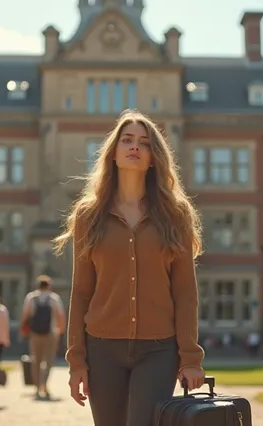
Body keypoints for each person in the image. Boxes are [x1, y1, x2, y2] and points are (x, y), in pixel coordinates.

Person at [53, 109, 206, 426]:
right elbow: (81, 292)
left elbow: (185, 293)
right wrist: (76, 361)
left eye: (144, 142)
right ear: (113, 153)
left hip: (158, 351)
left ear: (154, 157)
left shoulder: (176, 214)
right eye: (127, 140)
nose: (135, 146)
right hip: (102, 349)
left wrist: (190, 358)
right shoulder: (89, 214)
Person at [21, 275, 66, 399]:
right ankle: (44, 384)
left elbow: (25, 315)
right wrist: (60, 332)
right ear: (49, 285)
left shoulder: (31, 298)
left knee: (36, 360)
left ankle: (36, 387)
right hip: (50, 333)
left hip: (35, 333)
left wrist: (24, 330)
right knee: (49, 361)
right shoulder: (54, 298)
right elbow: (60, 316)